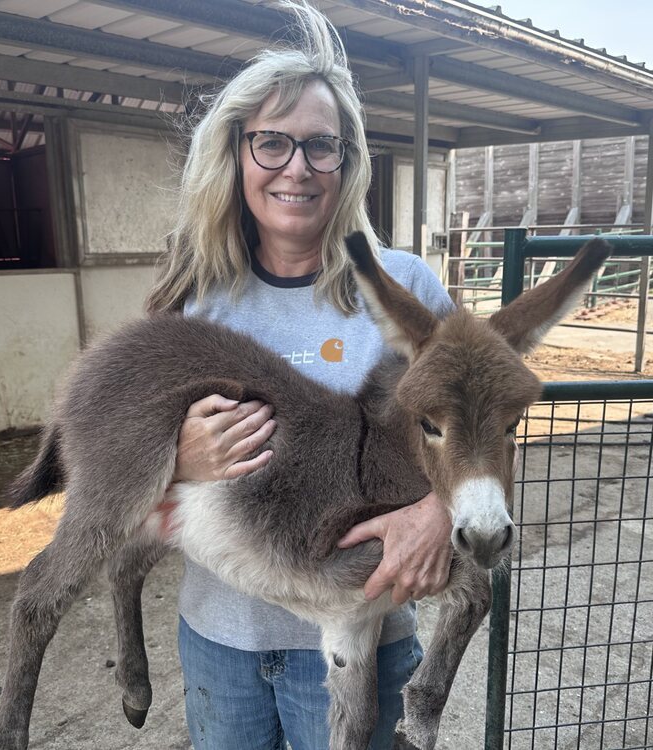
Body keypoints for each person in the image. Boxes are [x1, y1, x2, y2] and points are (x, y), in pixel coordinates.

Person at [144, 3, 454, 747]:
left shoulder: (407, 288)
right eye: (272, 143)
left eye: (321, 147)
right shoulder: (191, 297)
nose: (297, 168)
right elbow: (129, 461)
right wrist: (175, 456)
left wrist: (438, 512)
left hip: (363, 645)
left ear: (348, 163)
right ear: (238, 153)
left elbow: (488, 436)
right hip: (222, 643)